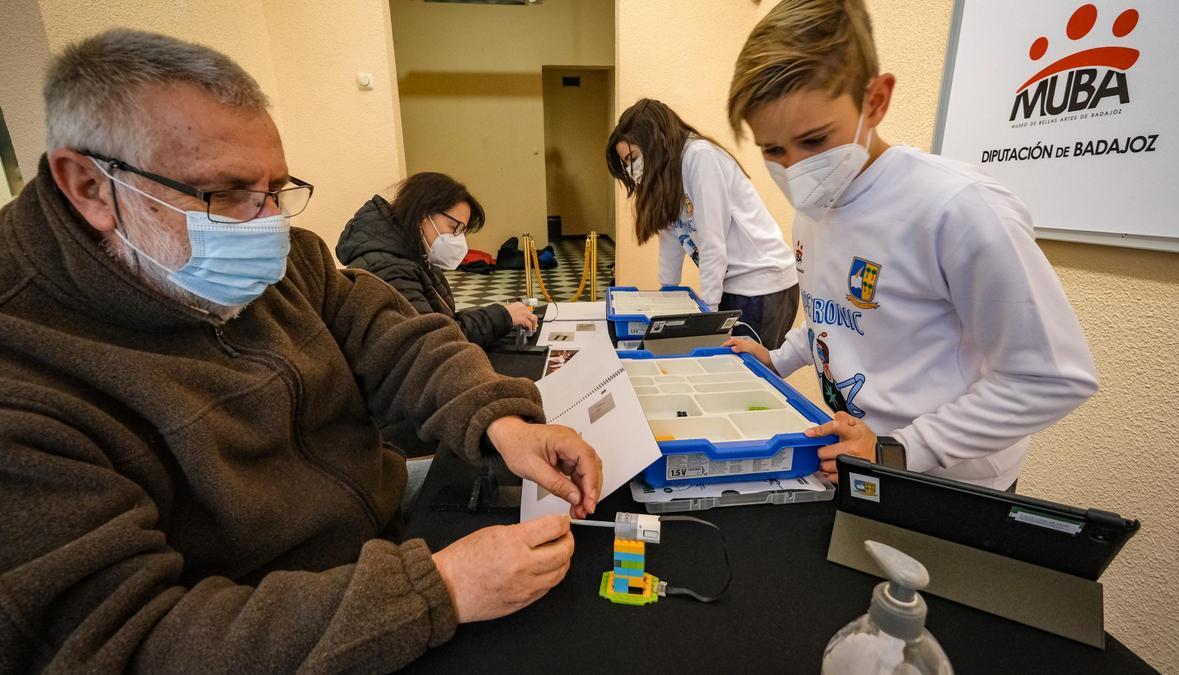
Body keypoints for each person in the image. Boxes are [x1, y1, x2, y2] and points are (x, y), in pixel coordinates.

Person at [0, 30, 602, 672]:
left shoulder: (290, 261)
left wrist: (498, 418)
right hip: (288, 618)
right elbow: (127, 641)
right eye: (228, 193)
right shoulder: (24, 378)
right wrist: (441, 589)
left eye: (277, 189)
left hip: (382, 522)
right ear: (90, 187)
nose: (266, 223)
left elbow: (397, 338)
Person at [724, 0, 1099, 490]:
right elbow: (831, 317)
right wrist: (778, 356)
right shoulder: (813, 209)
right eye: (774, 150)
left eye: (814, 141)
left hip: (949, 482)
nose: (794, 168)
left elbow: (1052, 376)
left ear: (876, 101)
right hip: (861, 464)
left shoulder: (959, 209)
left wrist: (899, 450)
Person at [604, 99, 799, 349]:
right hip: (734, 284)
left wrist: (708, 316)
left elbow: (712, 243)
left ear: (654, 140)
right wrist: (667, 292)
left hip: (762, 285)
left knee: (744, 375)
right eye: (626, 163)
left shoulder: (699, 157)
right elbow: (672, 237)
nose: (632, 169)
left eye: (633, 158)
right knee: (728, 369)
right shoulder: (669, 174)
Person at [336, 173, 537, 348]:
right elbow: (435, 342)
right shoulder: (390, 269)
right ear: (421, 213)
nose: (458, 238)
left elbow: (442, 322)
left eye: (461, 231)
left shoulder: (415, 256)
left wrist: (501, 314)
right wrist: (502, 317)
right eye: (453, 227)